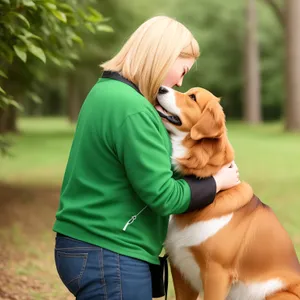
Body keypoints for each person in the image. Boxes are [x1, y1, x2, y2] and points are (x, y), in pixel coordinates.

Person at [53, 15, 240, 300]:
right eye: (183, 69)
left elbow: (144, 171)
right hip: (110, 252)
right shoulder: (134, 109)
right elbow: (163, 195)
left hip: (86, 246)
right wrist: (217, 182)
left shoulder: (104, 92)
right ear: (163, 57)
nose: (179, 80)